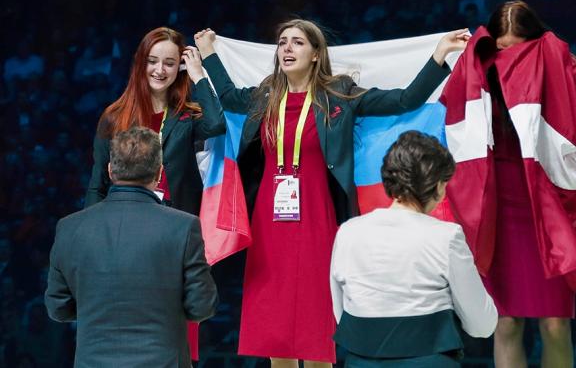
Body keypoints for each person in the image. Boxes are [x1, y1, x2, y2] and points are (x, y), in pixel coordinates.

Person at [195, 20, 469, 367]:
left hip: (319, 219)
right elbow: (230, 98)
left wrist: (439, 55)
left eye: (297, 42)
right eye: (282, 43)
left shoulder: (338, 94)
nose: (287, 49)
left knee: (315, 328)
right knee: (275, 330)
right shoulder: (266, 95)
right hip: (270, 221)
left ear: (315, 54)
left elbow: (404, 100)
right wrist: (208, 55)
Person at [440, 0, 576, 368]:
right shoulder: (479, 70)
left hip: (545, 202)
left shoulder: (561, 67)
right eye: (502, 48)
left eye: (519, 48)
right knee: (506, 322)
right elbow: (452, 112)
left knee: (555, 324)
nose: (509, 57)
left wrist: (552, 65)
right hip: (497, 204)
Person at [45, 127, 218, 367]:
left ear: (110, 170)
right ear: (159, 173)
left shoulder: (70, 228)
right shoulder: (183, 227)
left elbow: (58, 309)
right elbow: (202, 307)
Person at [330, 131, 497, 366]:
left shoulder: (348, 232)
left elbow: (341, 313)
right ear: (439, 186)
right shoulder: (447, 237)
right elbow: (482, 324)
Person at [85, 26, 226, 215]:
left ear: (180, 66)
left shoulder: (187, 116)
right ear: (141, 63)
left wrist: (198, 74)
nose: (160, 70)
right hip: (126, 220)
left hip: (176, 225)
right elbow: (98, 185)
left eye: (169, 63)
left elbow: (216, 125)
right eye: (152, 61)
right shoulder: (115, 117)